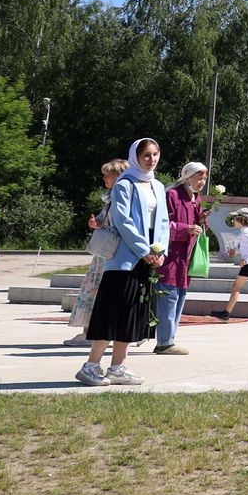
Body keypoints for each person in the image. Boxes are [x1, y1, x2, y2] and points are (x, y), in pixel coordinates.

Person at [77, 139, 171, 386]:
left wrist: (161, 251)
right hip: (124, 259)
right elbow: (122, 220)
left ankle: (117, 367)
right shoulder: (125, 184)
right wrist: (143, 250)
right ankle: (90, 366)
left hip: (149, 258)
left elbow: (163, 222)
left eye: (155, 154)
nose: (151, 159)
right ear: (135, 157)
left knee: (131, 314)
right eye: (146, 155)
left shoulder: (158, 186)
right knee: (111, 312)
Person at [65, 158, 128, 345]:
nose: (104, 178)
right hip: (105, 253)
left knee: (99, 291)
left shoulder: (123, 197)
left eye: (108, 175)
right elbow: (102, 219)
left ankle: (92, 333)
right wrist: (96, 223)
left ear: (118, 176)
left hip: (114, 252)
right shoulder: (109, 198)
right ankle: (89, 330)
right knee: (93, 290)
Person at [154, 162, 209, 356]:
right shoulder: (172, 195)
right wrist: (186, 228)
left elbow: (196, 224)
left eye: (204, 178)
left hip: (185, 257)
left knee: (180, 296)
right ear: (187, 177)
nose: (202, 182)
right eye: (198, 177)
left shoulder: (195, 197)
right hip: (170, 256)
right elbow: (162, 224)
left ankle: (169, 339)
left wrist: (202, 219)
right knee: (168, 295)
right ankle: (164, 342)